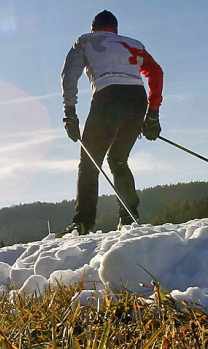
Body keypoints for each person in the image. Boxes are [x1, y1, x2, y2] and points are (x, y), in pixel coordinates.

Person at [59, 10, 163, 235]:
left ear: (93, 28)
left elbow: (69, 75)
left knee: (89, 163)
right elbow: (156, 73)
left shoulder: (85, 40)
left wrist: (70, 113)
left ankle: (83, 223)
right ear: (115, 29)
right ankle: (129, 218)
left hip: (107, 96)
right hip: (137, 98)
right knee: (118, 159)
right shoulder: (133, 43)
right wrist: (152, 114)